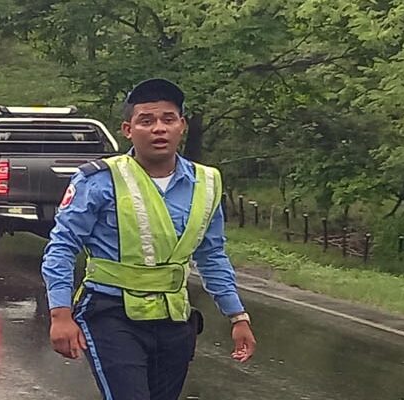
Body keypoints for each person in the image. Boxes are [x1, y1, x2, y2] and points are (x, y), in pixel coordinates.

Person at [41, 78, 256, 400]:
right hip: (111, 312)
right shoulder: (99, 179)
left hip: (174, 317)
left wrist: (237, 316)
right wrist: (60, 314)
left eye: (168, 119)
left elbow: (212, 255)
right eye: (147, 120)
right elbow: (62, 246)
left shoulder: (206, 183)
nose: (159, 128)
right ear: (128, 130)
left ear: (181, 126)